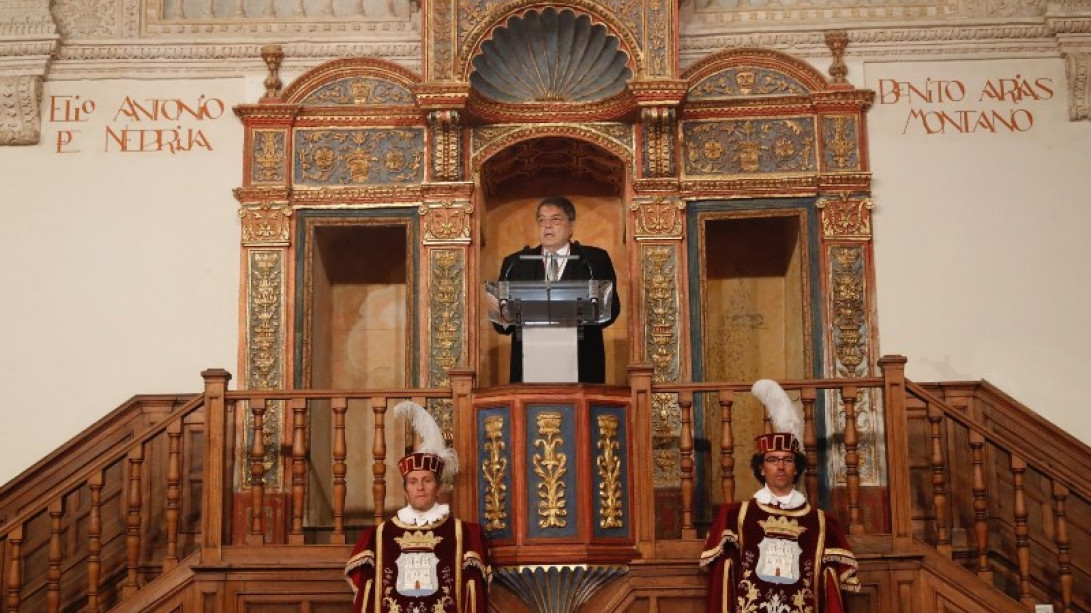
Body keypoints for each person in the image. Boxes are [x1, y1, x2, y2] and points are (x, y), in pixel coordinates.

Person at [700, 379, 860, 613]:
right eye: (772, 460)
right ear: (761, 468)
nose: (781, 467)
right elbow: (721, 583)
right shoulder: (736, 517)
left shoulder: (820, 522)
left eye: (787, 460)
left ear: (797, 467)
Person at [345, 401, 490, 613]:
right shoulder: (378, 536)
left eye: (427, 481)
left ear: (438, 488)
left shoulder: (465, 534)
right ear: (406, 491)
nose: (420, 488)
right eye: (413, 482)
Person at [494, 195, 621, 384]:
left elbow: (610, 311)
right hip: (529, 369)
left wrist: (577, 312)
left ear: (572, 226)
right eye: (542, 220)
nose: (547, 225)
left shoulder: (594, 259)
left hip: (581, 366)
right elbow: (500, 324)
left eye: (555, 219)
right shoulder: (516, 263)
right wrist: (507, 314)